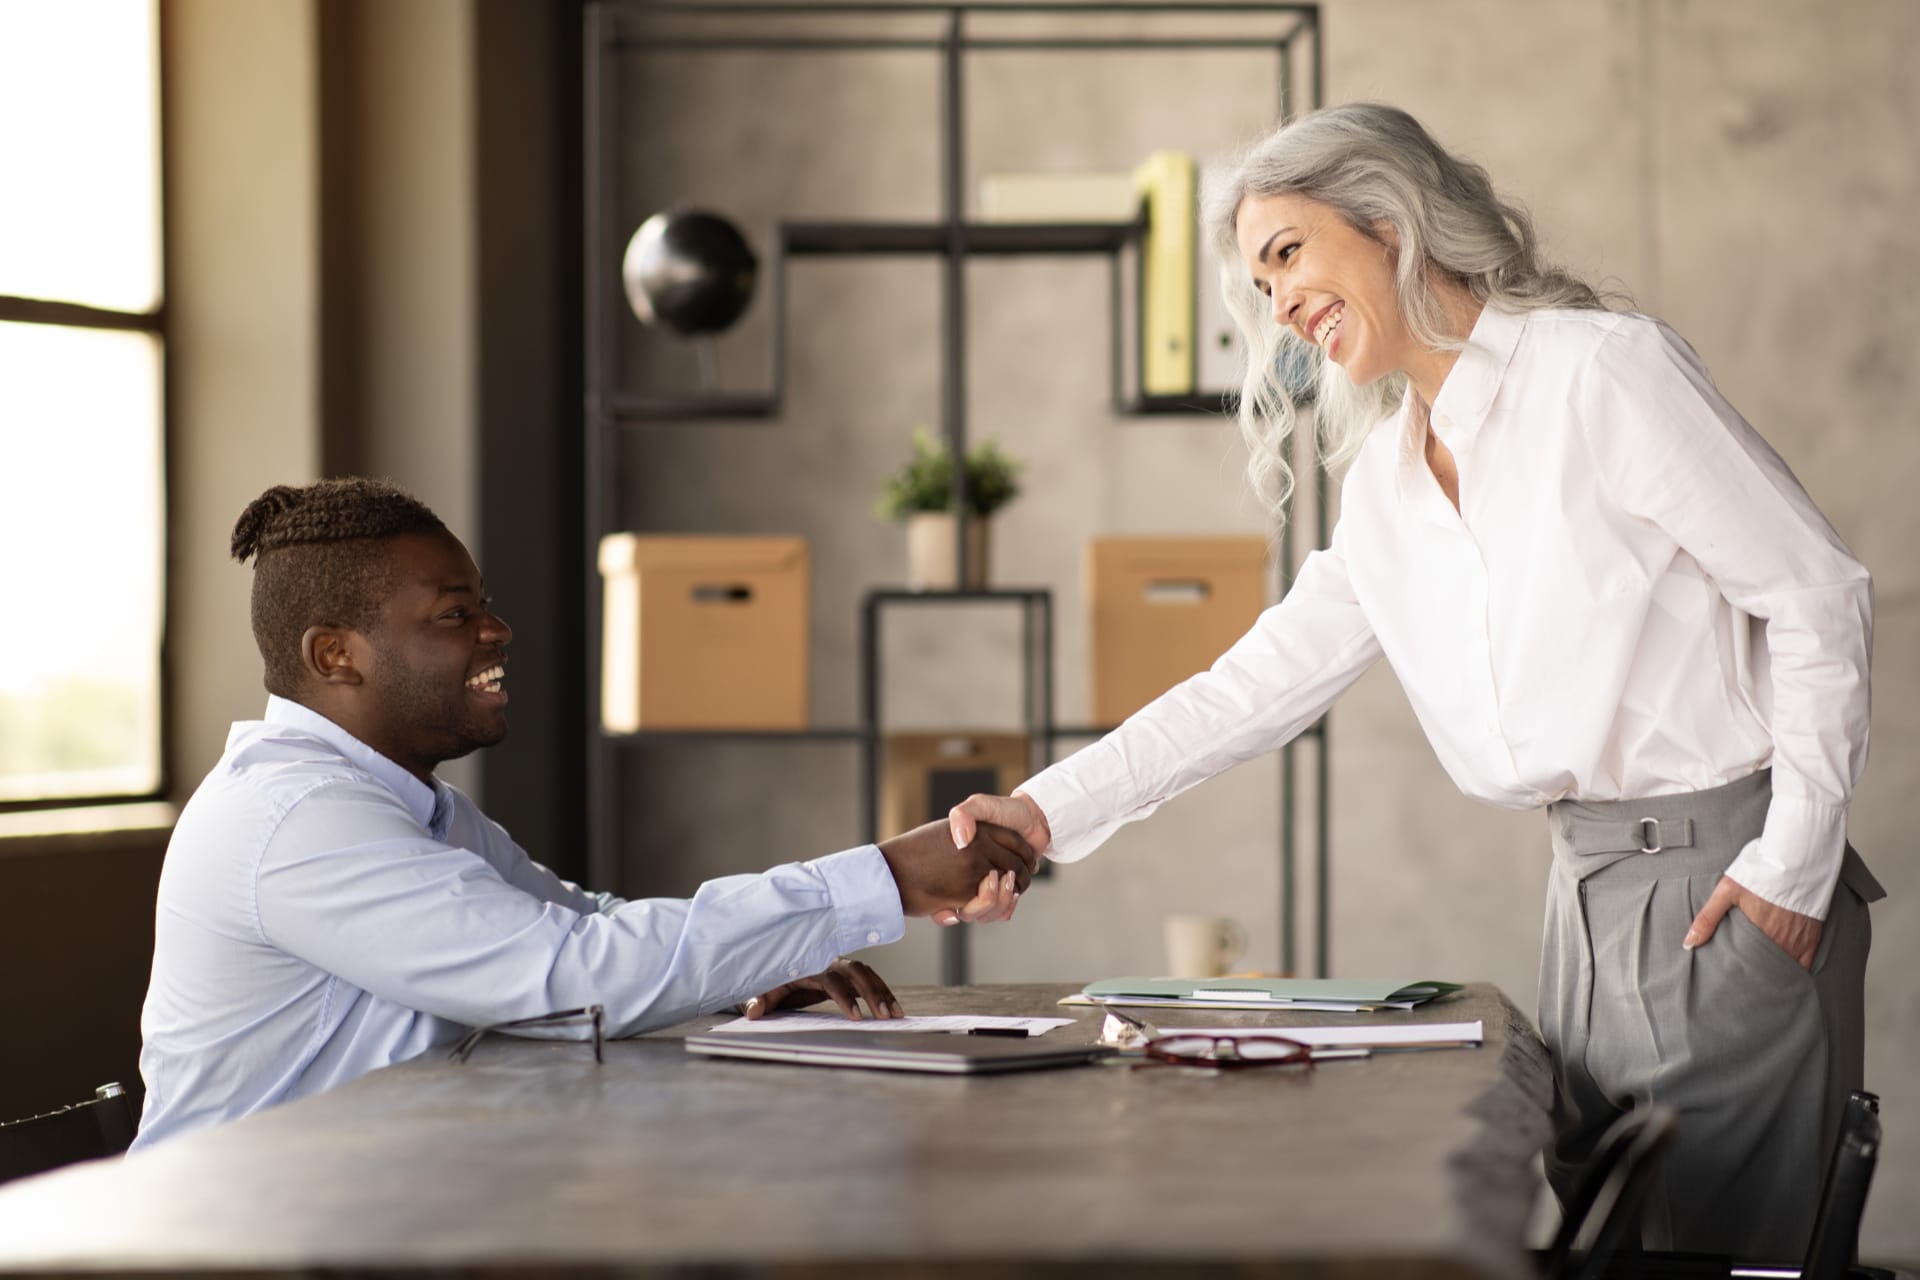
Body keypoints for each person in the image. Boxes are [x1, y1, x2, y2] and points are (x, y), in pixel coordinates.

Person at [946, 102, 1880, 1257]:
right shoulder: (1391, 479)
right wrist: (1040, 813)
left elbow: (1815, 591)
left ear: (1389, 221)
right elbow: (1253, 685)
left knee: (1721, 1253)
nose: (1278, 302)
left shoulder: (1600, 373)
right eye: (1261, 282)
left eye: (1288, 254)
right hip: (1582, 892)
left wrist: (1794, 862)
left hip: (1719, 879)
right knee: (1618, 1241)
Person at [135, 477, 1036, 1149]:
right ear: (337, 654)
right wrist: (887, 874)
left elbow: (583, 922)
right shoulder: (297, 818)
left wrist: (755, 966)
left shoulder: (405, 805)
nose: (497, 629)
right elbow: (569, 974)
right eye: (456, 614)